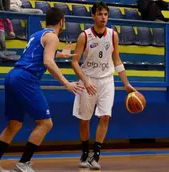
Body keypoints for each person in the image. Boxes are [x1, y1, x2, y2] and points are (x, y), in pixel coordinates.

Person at [0, 7, 84, 172]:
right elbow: (47, 61)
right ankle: (24, 163)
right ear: (62, 21)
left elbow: (41, 53)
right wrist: (66, 83)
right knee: (46, 123)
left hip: (13, 76)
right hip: (26, 79)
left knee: (14, 125)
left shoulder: (37, 35)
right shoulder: (53, 37)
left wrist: (61, 54)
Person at [71, 2, 137, 170]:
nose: (103, 18)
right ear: (93, 16)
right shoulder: (84, 36)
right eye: (100, 14)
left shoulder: (113, 35)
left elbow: (117, 60)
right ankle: (85, 153)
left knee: (105, 116)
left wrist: (126, 83)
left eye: (106, 14)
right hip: (89, 80)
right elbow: (74, 62)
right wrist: (85, 80)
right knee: (85, 120)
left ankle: (96, 155)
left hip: (107, 80)